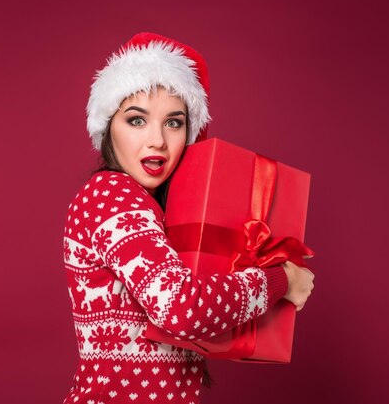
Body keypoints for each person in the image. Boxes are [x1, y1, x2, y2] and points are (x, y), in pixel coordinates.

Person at [62, 32, 314, 404]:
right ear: (107, 129)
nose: (158, 141)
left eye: (174, 123)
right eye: (136, 121)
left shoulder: (154, 211)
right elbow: (181, 309)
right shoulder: (112, 194)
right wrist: (280, 280)